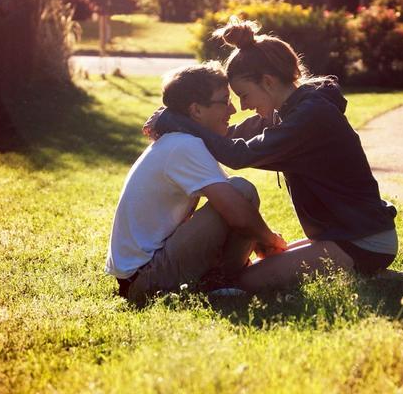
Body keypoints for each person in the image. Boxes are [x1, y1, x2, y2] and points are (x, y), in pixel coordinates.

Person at [148, 18, 399, 292]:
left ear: (267, 82)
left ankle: (366, 268)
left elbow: (238, 154)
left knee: (248, 281)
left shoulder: (311, 116)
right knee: (263, 266)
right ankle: (364, 270)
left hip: (364, 239)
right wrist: (185, 116)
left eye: (244, 95)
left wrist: (176, 121)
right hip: (343, 235)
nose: (243, 106)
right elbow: (229, 137)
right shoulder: (290, 110)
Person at [105, 62, 287, 304]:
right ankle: (222, 281)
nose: (233, 109)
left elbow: (231, 208)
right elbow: (237, 213)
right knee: (242, 190)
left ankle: (223, 278)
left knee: (238, 191)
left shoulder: (183, 142)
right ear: (196, 110)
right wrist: (271, 240)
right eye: (224, 101)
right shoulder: (184, 146)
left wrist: (258, 242)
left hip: (144, 273)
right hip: (145, 280)